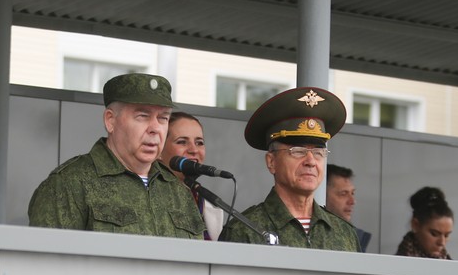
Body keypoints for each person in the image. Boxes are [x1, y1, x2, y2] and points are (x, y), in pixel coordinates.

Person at [28, 73, 203, 238]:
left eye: (163, 118)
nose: (155, 128)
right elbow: (47, 257)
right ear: (110, 121)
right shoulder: (69, 184)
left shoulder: (178, 191)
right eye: (142, 116)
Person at [218, 87, 358, 250]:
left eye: (318, 152)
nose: (311, 161)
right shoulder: (245, 230)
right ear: (271, 162)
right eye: (298, 151)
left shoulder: (344, 232)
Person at [160, 111, 225, 240]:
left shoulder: (205, 203)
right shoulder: (149, 197)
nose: (194, 150)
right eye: (182, 142)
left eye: (199, 142)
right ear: (159, 150)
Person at [396, 186, 454, 259]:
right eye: (434, 234)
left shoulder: (448, 262)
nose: (442, 242)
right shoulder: (398, 263)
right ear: (415, 225)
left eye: (446, 235)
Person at [325, 164, 371, 251]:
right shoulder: (307, 236)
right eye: (343, 194)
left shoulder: (356, 238)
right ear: (323, 195)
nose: (352, 201)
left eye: (352, 193)